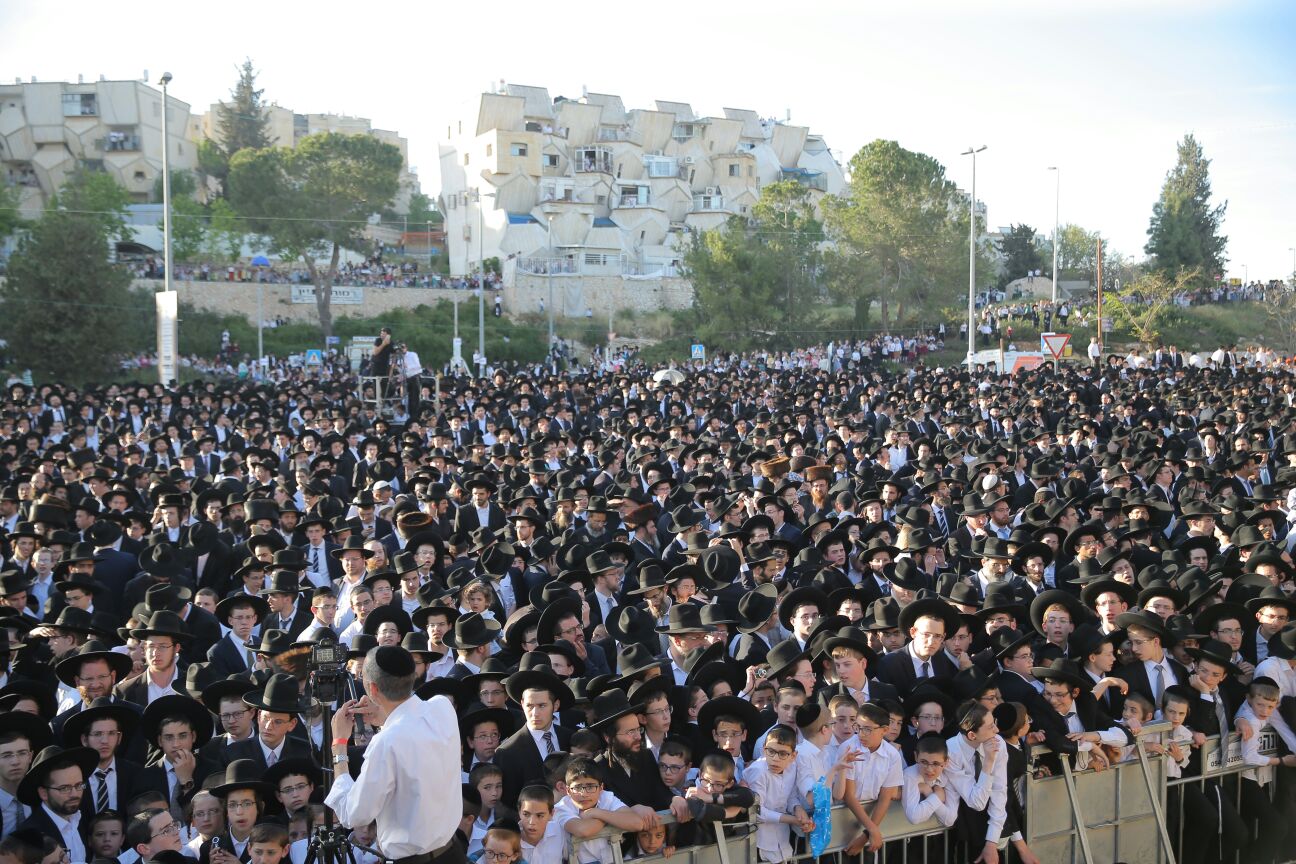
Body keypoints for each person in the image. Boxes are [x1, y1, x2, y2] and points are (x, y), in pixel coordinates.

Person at [327, 646, 464, 864]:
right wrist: (384, 716)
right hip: (453, 853)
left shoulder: (387, 742)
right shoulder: (442, 707)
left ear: (372, 689)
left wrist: (339, 745)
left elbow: (352, 814)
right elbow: (410, 726)